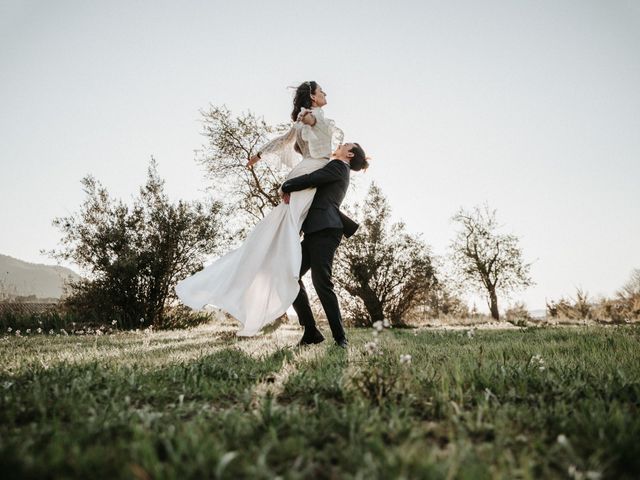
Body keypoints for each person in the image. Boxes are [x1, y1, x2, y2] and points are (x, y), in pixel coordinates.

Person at [175, 81, 362, 337]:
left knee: (278, 236)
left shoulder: (314, 124)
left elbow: (294, 135)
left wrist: (279, 169)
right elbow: (294, 133)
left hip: (307, 177)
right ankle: (306, 325)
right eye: (322, 92)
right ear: (312, 97)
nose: (327, 94)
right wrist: (261, 154)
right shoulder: (311, 118)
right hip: (309, 173)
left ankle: (261, 270)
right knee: (279, 244)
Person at [281, 142, 369, 347]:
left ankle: (340, 338)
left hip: (326, 229)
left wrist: (287, 185)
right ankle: (310, 331)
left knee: (321, 281)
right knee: (289, 275)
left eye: (345, 144)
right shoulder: (337, 166)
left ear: (349, 153)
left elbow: (313, 179)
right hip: (314, 230)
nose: (340, 144)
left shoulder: (338, 166)